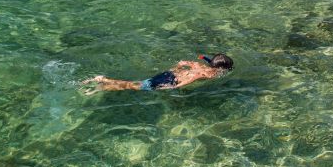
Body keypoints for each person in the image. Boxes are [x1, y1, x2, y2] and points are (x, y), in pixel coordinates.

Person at [81, 53, 233, 94]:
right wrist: (174, 87)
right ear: (221, 69)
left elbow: (183, 62)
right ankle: (103, 80)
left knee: (137, 85)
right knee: (137, 86)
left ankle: (102, 86)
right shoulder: (209, 74)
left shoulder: (200, 64)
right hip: (170, 82)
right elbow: (195, 77)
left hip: (169, 74)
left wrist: (176, 70)